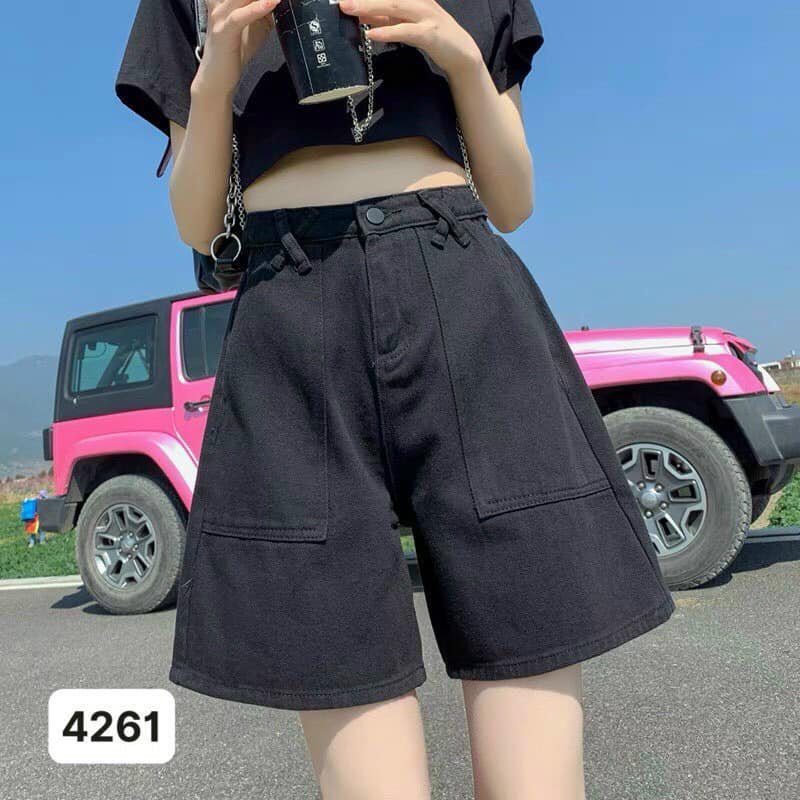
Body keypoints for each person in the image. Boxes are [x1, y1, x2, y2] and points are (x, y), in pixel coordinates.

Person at [115, 2, 676, 797]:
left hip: (463, 292)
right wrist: (218, 73)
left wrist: (455, 50)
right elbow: (200, 224)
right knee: (354, 727)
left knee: (536, 770)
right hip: (289, 310)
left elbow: (512, 201)